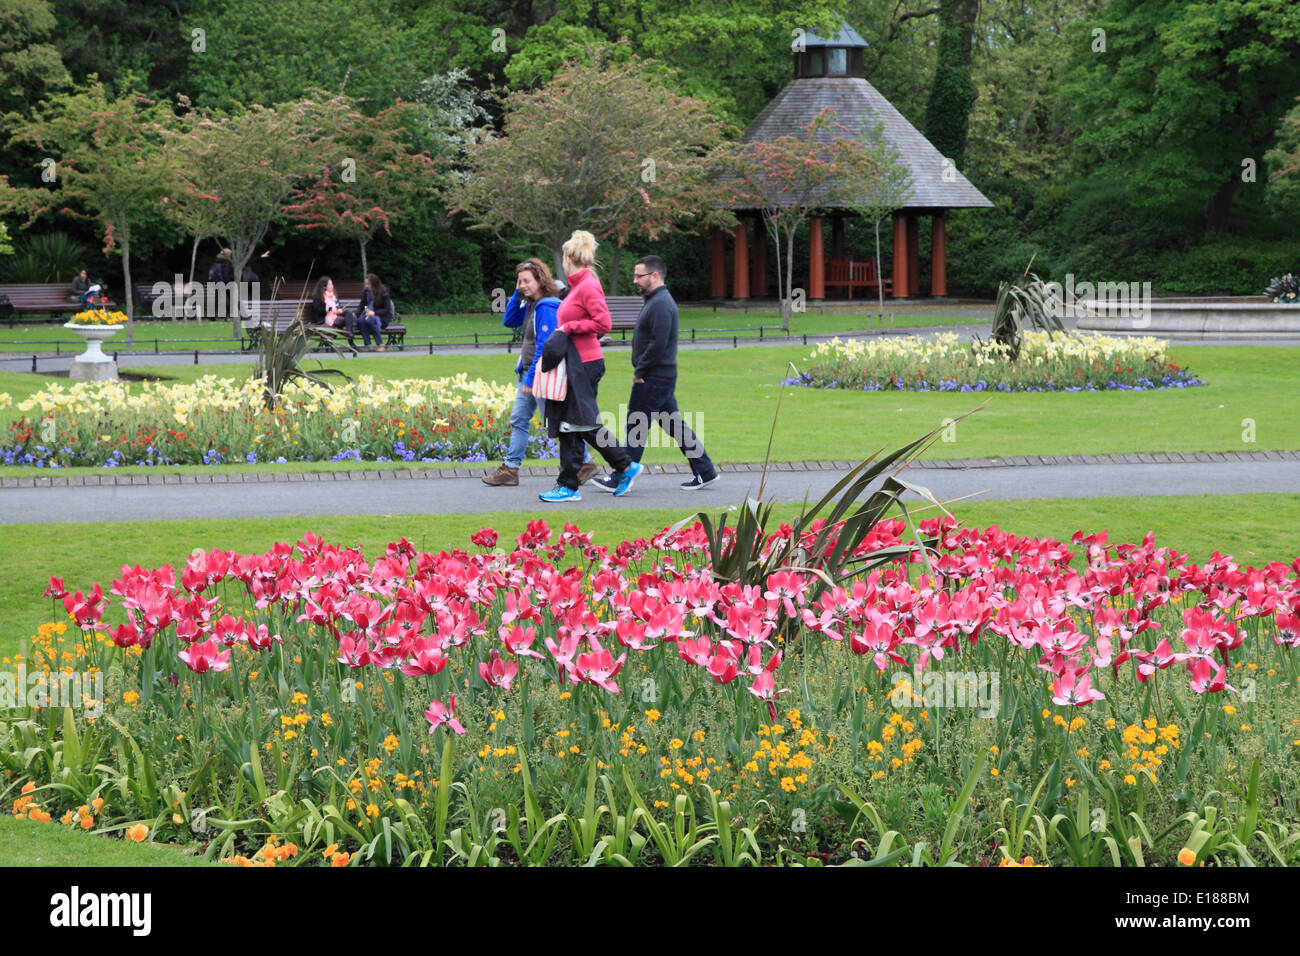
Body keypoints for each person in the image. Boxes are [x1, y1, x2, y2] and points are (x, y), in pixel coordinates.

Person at [593, 254, 718, 492]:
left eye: (639, 276)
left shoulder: (660, 303)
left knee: (636, 424)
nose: (635, 280)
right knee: (673, 424)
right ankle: (705, 470)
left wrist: (641, 370)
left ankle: (623, 475)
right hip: (661, 375)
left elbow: (658, 343)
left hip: (653, 376)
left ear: (655, 276)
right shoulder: (656, 300)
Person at [537, 230, 640, 503]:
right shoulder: (578, 286)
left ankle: (578, 482)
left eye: (564, 258)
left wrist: (569, 327)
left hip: (583, 363)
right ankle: (584, 479)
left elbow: (604, 323)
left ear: (570, 259)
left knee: (579, 423)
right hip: (577, 361)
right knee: (575, 424)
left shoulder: (587, 286)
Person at [482, 258, 594, 487]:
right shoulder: (532, 304)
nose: (522, 285)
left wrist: (532, 378)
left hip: (540, 376)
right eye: (519, 281)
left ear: (540, 280)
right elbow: (508, 320)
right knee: (520, 419)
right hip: (527, 373)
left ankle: (585, 462)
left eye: (526, 281)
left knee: (558, 422)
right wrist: (517, 293)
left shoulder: (547, 306)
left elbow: (544, 346)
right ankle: (511, 468)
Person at [351, 273, 392, 351]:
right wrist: (354, 315)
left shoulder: (384, 291)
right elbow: (361, 306)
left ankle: (380, 344)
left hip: (382, 317)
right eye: (366, 284)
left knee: (370, 320)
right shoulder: (366, 291)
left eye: (368, 284)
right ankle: (368, 344)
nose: (366, 286)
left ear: (374, 284)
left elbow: (387, 310)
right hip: (369, 315)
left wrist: (374, 313)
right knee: (361, 320)